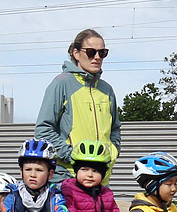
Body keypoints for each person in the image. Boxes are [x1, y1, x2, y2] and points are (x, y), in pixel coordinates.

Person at [34, 29, 121, 184]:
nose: (97, 57)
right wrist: (73, 155)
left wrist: (112, 152)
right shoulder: (61, 83)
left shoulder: (107, 90)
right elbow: (43, 129)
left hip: (100, 179)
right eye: (91, 52)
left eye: (102, 53)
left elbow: (115, 129)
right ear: (76, 53)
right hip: (67, 177)